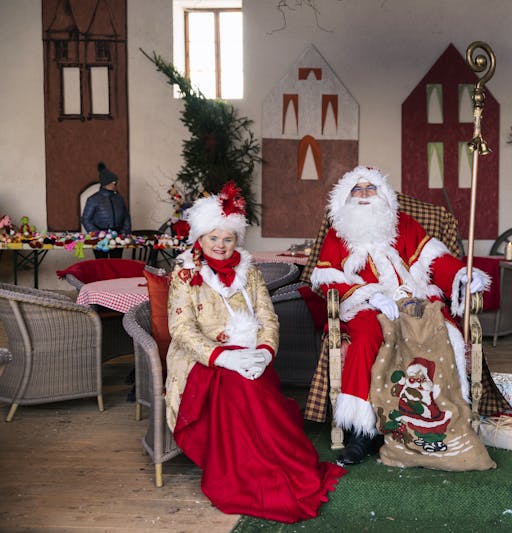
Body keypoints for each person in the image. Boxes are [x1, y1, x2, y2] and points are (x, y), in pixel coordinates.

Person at [166, 182, 345, 523]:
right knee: (238, 386)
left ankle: (276, 462)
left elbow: (267, 317)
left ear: (236, 240)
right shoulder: (184, 275)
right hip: (200, 358)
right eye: (213, 238)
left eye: (227, 239)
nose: (220, 245)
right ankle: (250, 473)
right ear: (200, 239)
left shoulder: (250, 273)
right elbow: (182, 330)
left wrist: (264, 351)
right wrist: (224, 357)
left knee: (257, 381)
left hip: (249, 353)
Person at [310, 165, 488, 465]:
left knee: (446, 334)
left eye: (371, 189)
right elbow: (327, 278)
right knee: (365, 338)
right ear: (346, 196)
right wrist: (370, 295)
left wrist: (462, 275)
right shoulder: (337, 233)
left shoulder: (403, 223)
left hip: (413, 300)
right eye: (357, 189)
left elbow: (437, 262)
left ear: (383, 194)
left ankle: (445, 420)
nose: (365, 195)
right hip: (367, 305)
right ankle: (361, 432)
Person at [81, 162, 131, 258]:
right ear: (105, 183)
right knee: (101, 265)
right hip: (99, 237)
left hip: (118, 237)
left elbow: (126, 216)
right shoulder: (93, 199)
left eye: (115, 182)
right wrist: (97, 234)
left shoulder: (119, 198)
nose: (115, 184)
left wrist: (125, 233)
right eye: (113, 181)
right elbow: (85, 219)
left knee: (116, 264)